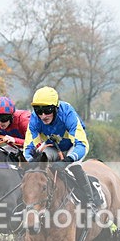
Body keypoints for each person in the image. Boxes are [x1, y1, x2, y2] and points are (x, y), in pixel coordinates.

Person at [23, 86, 96, 217]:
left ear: (56, 108)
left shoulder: (68, 113)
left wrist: (68, 160)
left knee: (73, 165)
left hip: (73, 146)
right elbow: (28, 148)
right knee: (37, 167)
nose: (43, 115)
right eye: (38, 111)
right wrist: (30, 162)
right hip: (52, 147)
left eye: (47, 110)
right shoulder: (34, 119)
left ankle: (90, 202)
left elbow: (82, 144)